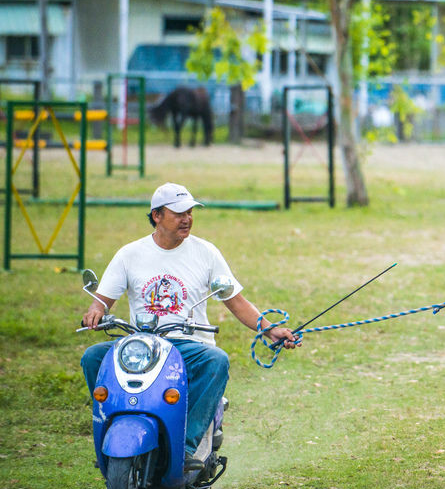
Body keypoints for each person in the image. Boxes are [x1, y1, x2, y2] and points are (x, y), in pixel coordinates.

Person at [80, 182, 297, 470]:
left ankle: (186, 447)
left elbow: (236, 301)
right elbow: (101, 301)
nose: (187, 219)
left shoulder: (205, 253)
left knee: (216, 360)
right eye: (178, 212)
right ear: (156, 215)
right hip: (144, 345)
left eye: (190, 212)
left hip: (189, 344)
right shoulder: (130, 254)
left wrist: (271, 329)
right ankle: (114, 430)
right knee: (93, 357)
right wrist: (95, 310)